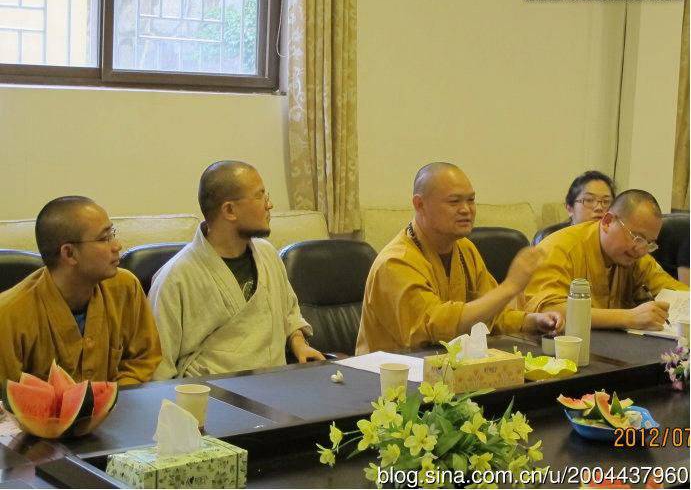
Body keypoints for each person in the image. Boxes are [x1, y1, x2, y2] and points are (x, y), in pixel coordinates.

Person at [355, 162, 563, 354]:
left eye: (471, 200)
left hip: (449, 368)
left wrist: (532, 321)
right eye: (454, 201)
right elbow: (434, 328)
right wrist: (510, 287)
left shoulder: (464, 249)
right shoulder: (395, 262)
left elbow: (490, 314)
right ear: (419, 204)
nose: (466, 210)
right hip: (388, 374)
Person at [150, 161, 324, 379]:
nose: (269, 205)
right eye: (260, 196)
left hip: (277, 385)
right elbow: (160, 367)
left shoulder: (267, 254)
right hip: (212, 395)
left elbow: (289, 312)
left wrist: (298, 343)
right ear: (230, 210)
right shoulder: (176, 277)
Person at [0, 196, 161, 384]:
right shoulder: (9, 315)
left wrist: (113, 394)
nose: (117, 246)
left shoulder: (126, 287)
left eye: (113, 234)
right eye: (104, 238)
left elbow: (143, 359)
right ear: (69, 253)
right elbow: (7, 392)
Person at [525, 190, 689, 331]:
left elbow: (679, 294)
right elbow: (548, 310)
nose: (640, 249)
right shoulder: (560, 248)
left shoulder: (637, 259)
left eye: (649, 243)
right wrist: (629, 317)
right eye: (636, 237)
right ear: (607, 222)